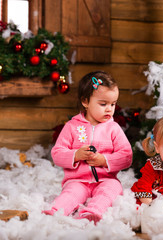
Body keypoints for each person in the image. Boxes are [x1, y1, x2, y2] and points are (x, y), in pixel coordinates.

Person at [43, 71, 133, 223]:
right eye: (103, 104)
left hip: (106, 179)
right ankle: (55, 211)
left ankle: (93, 210)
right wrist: (76, 155)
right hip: (77, 180)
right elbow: (57, 153)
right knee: (71, 193)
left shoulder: (113, 128)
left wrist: (104, 160)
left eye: (113, 104)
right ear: (85, 102)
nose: (109, 109)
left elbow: (126, 156)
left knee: (112, 189)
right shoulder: (72, 126)